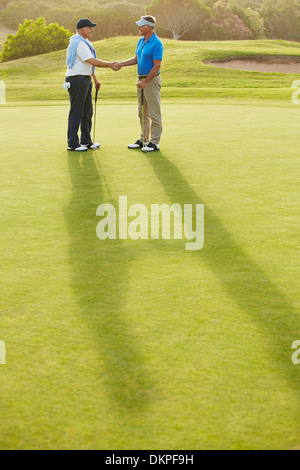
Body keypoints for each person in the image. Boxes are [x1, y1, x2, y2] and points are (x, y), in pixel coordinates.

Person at [65, 18, 120, 152]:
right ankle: (72, 143)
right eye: (90, 28)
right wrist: (110, 65)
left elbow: (87, 64)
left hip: (84, 79)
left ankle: (86, 141)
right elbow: (92, 61)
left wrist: (95, 79)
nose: (92, 30)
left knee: (87, 112)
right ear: (82, 30)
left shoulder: (84, 42)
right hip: (77, 80)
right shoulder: (79, 43)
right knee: (77, 112)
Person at [117, 16, 164, 153]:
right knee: (142, 112)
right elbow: (136, 59)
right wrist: (121, 64)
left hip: (151, 81)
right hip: (141, 81)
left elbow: (157, 66)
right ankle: (144, 140)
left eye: (141, 25)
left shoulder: (157, 43)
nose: (138, 27)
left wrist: (146, 81)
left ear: (149, 27)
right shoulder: (141, 41)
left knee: (154, 112)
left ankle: (155, 142)